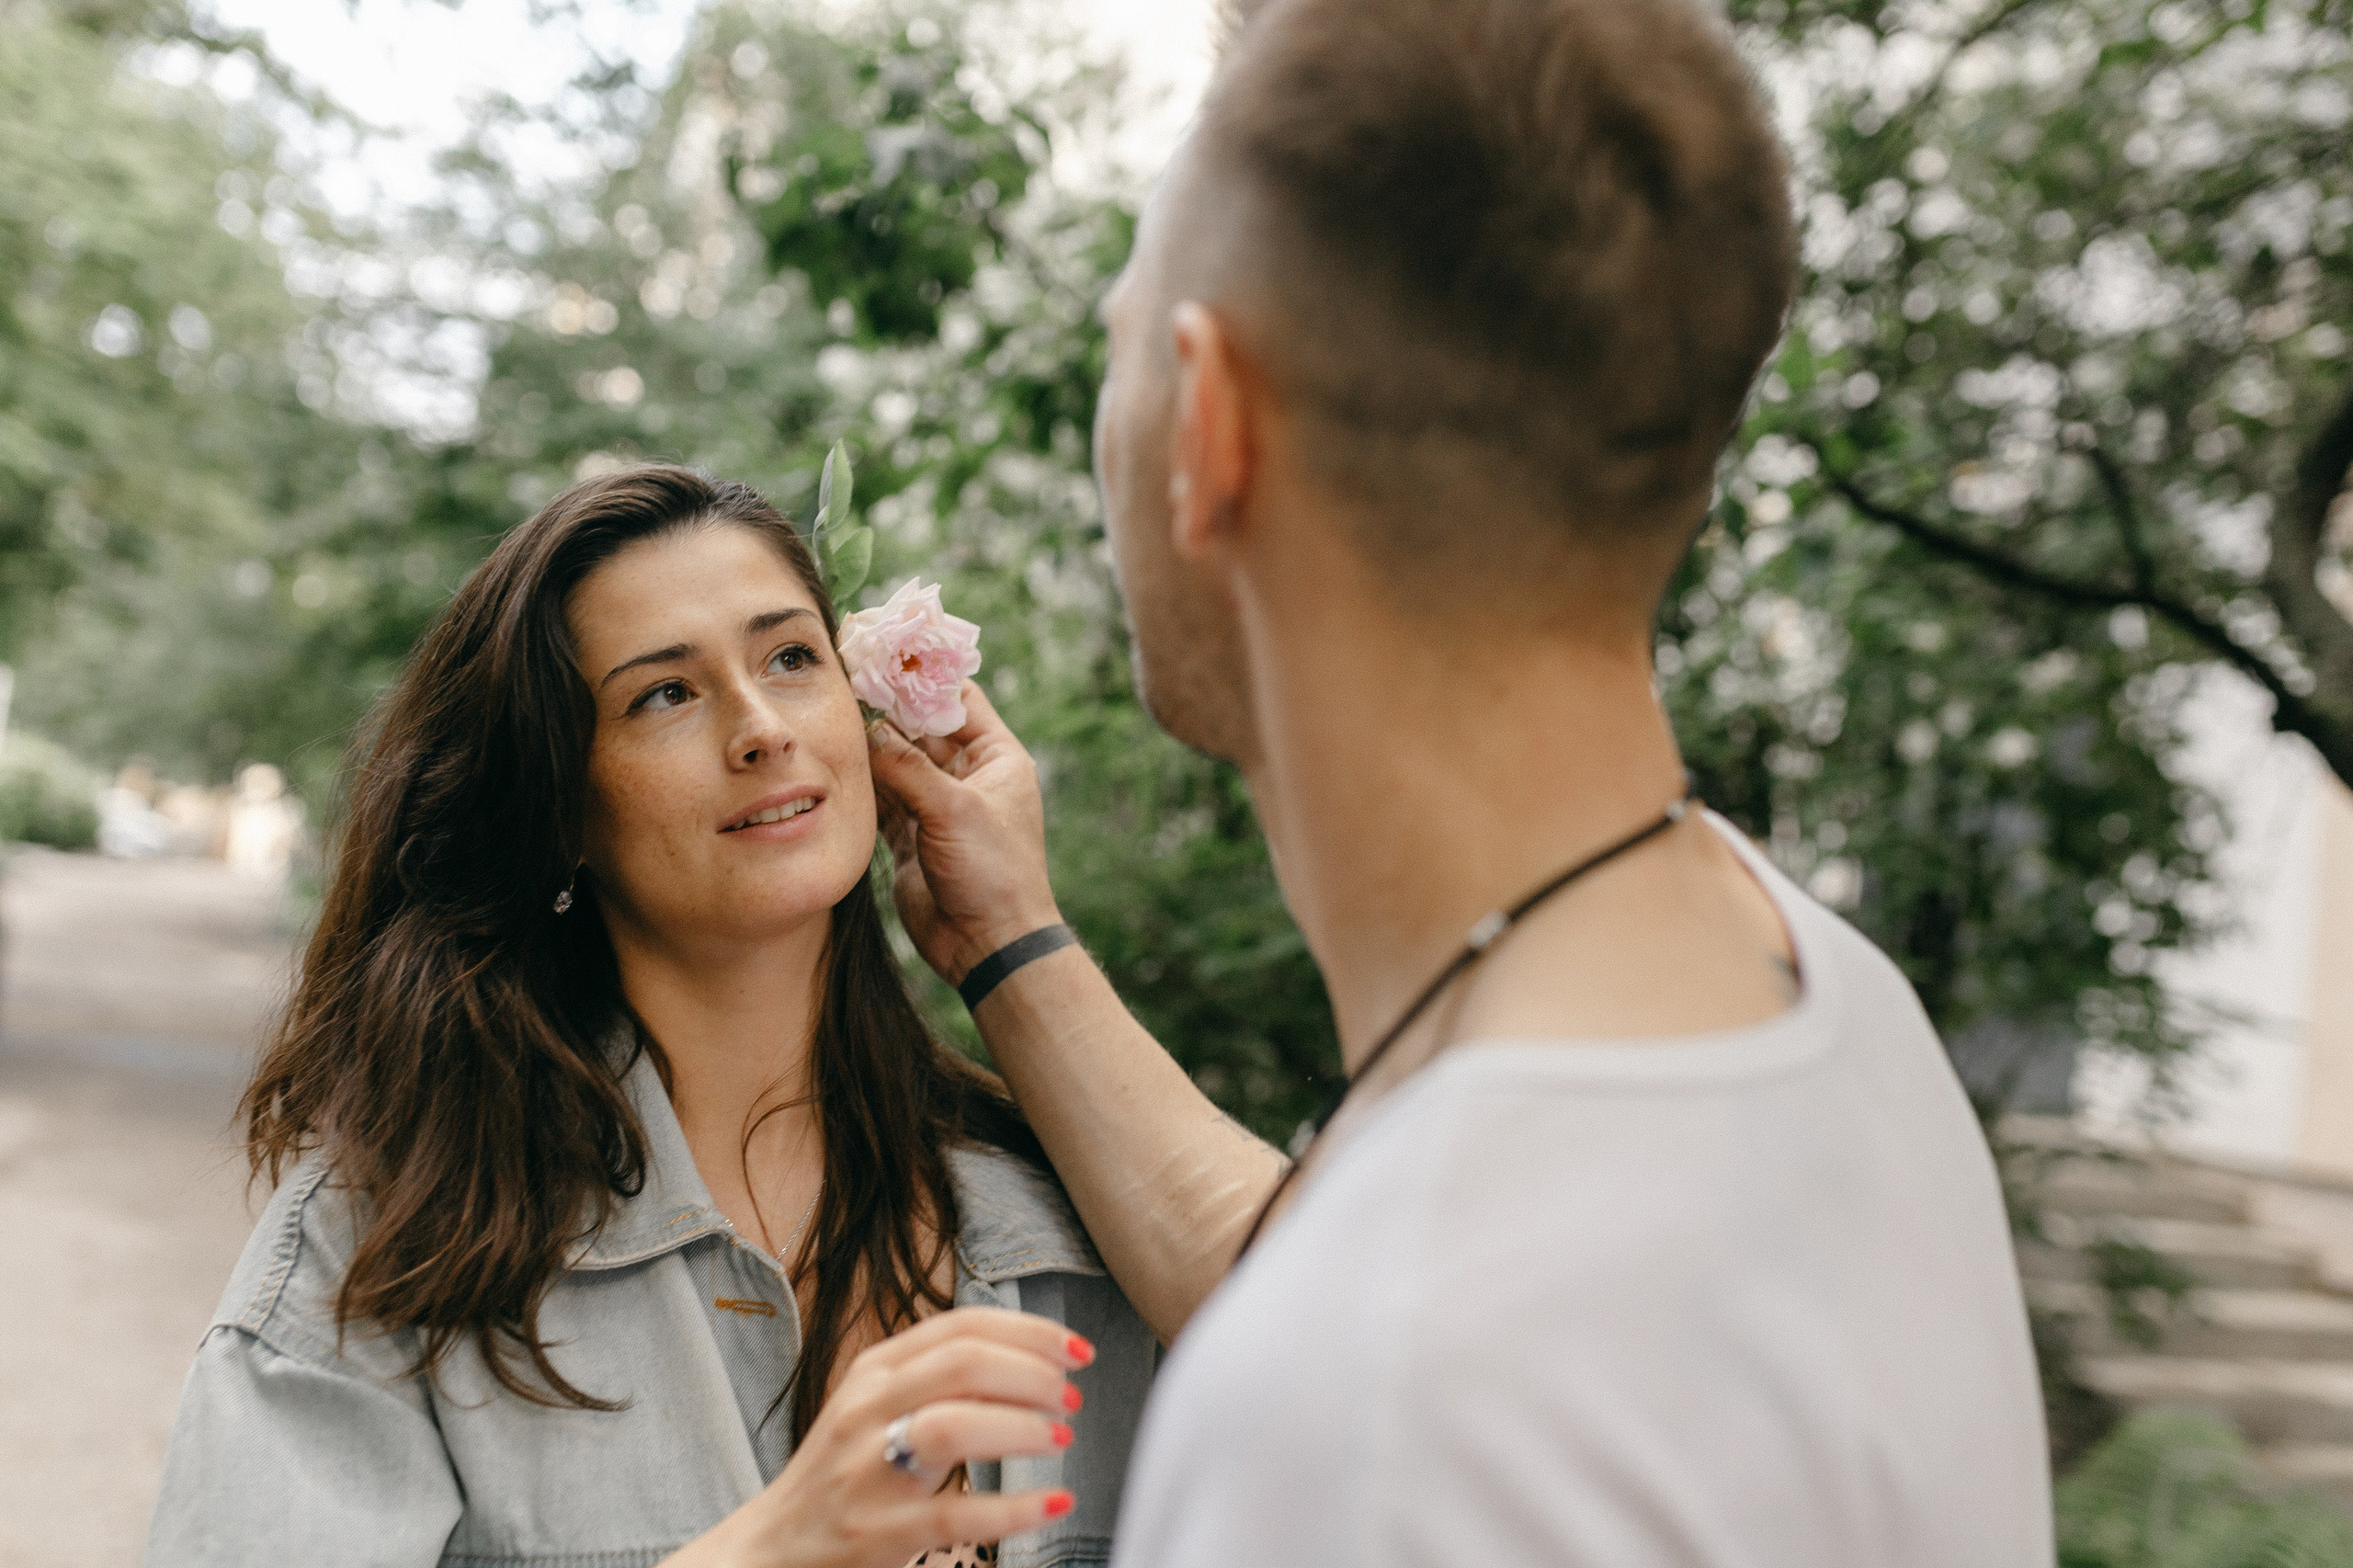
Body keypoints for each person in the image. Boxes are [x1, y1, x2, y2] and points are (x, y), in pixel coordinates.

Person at [863, 0, 2056, 1562]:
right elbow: (1331, 1252)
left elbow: (1386, 1348)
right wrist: (1008, 941)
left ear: (1209, 427)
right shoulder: (1812, 996)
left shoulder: (1381, 1418)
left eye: (1118, 345)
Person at [147, 469, 1154, 1568]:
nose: (762, 726)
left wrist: (1016, 932)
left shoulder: (1069, 1221)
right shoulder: (389, 1247)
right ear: (562, 806)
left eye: (789, 658)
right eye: (663, 694)